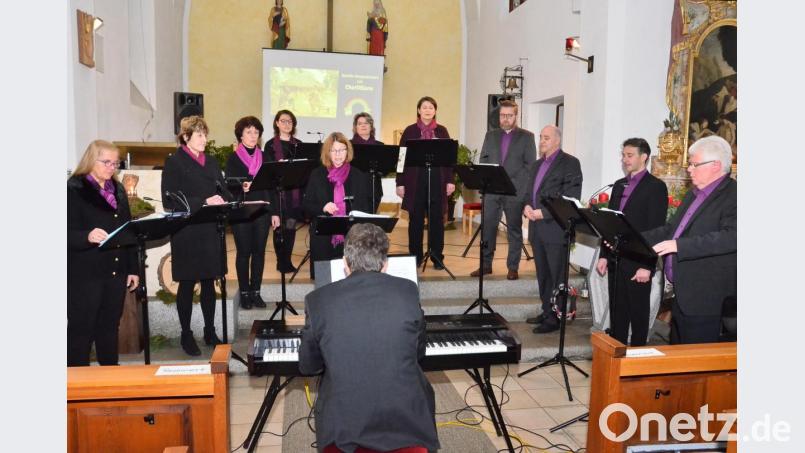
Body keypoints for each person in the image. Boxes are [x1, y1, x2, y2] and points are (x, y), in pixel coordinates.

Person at [298, 223, 439, 453]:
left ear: (345, 263)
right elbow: (418, 353)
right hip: (406, 423)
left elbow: (308, 365)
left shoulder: (318, 300)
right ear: (385, 265)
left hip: (345, 430)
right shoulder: (408, 291)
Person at [642, 135, 736, 344]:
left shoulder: (734, 195)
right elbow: (671, 230)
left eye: (694, 164)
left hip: (707, 297)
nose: (689, 169)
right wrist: (632, 237)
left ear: (715, 165)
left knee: (698, 363)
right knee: (679, 355)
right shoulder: (693, 194)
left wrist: (679, 245)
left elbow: (732, 236)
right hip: (683, 293)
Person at [162, 115, 232, 356]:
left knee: (209, 282)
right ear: (186, 137)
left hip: (211, 228)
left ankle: (210, 330)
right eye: (199, 134)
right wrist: (203, 201)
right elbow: (169, 199)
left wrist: (229, 199)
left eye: (205, 134)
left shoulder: (211, 161)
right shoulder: (174, 162)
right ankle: (185, 334)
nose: (205, 139)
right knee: (188, 283)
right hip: (187, 230)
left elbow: (222, 188)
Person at [67, 140, 139, 366]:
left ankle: (110, 377)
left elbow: (128, 230)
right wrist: (86, 236)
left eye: (115, 163)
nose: (111, 167)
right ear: (91, 160)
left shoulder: (117, 189)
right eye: (106, 162)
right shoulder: (74, 189)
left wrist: (132, 269)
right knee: (82, 330)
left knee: (109, 327)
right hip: (85, 273)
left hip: (114, 271)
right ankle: (77, 386)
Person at [595, 138, 668, 346]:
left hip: (639, 261)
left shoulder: (656, 187)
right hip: (617, 259)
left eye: (629, 155)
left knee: (638, 313)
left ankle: (637, 357)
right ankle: (616, 357)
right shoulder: (619, 185)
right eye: (623, 155)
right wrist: (604, 255)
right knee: (618, 312)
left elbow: (657, 230)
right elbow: (610, 223)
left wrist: (647, 266)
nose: (624, 159)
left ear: (643, 157)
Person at [522, 125, 582, 334]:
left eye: (546, 138)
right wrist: (527, 206)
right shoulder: (537, 165)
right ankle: (546, 310)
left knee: (557, 276)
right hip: (537, 229)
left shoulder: (570, 163)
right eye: (541, 137)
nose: (542, 141)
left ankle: (556, 317)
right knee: (543, 275)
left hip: (556, 229)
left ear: (557, 140)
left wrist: (543, 213)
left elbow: (570, 198)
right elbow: (530, 192)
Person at [472, 99, 537, 281]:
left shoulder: (527, 137)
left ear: (516, 116)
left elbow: (530, 167)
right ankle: (485, 265)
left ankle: (513, 267)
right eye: (502, 115)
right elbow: (484, 162)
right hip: (492, 191)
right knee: (488, 229)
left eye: (509, 115)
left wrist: (524, 194)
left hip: (514, 192)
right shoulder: (490, 136)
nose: (505, 119)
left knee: (514, 231)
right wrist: (483, 185)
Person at [225, 116, 280, 310]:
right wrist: (241, 186)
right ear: (240, 135)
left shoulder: (266, 157)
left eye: (256, 132)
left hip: (263, 211)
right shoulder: (233, 158)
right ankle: (245, 292)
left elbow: (273, 188)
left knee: (259, 253)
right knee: (243, 253)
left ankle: (256, 292)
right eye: (249, 132)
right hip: (241, 212)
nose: (253, 135)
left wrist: (275, 212)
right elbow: (228, 186)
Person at [303, 132, 372, 279]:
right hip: (323, 235)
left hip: (351, 235)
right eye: (334, 150)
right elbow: (306, 205)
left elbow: (365, 208)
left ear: (348, 151)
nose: (338, 154)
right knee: (324, 279)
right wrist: (323, 207)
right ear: (328, 152)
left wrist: (352, 212)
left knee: (350, 280)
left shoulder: (358, 175)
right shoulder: (317, 174)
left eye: (342, 150)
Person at [396, 96, 454, 268]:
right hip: (415, 182)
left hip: (438, 180)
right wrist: (400, 182)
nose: (428, 110)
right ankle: (415, 256)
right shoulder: (410, 131)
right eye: (424, 107)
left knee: (437, 220)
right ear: (419, 110)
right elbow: (401, 159)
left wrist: (450, 181)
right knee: (415, 221)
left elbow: (449, 159)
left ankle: (437, 257)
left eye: (431, 107)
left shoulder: (442, 131)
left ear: (435, 111)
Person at [264, 109, 304, 274]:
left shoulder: (299, 144)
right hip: (277, 193)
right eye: (283, 121)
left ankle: (287, 260)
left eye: (290, 121)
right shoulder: (271, 145)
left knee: (291, 227)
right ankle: (281, 262)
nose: (287, 124)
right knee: (279, 228)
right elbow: (268, 171)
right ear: (277, 123)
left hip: (294, 193)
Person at [350, 112, 384, 212]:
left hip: (374, 190)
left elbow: (384, 168)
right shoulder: (348, 145)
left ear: (371, 126)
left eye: (366, 123)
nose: (363, 125)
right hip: (353, 188)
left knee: (371, 222)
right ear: (355, 127)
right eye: (360, 123)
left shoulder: (380, 146)